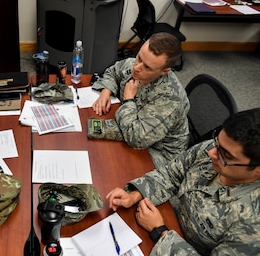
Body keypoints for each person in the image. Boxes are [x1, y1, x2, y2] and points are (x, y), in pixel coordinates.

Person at [106, 108, 260, 256]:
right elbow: (172, 173)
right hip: (170, 219)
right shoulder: (214, 152)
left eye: (226, 155)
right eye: (217, 142)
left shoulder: (254, 224)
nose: (211, 153)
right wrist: (135, 194)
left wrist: (159, 231)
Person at [90, 32, 190, 168]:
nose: (136, 68)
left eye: (147, 67)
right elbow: (113, 72)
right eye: (139, 57)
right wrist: (106, 91)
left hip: (159, 154)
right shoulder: (138, 64)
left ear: (164, 71)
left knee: (108, 165)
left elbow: (137, 139)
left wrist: (128, 100)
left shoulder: (170, 99)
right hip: (132, 126)